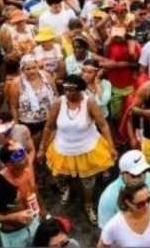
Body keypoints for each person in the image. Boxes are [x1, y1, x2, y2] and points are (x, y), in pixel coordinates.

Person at [39, 74, 117, 224]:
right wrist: (42, 147)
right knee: (60, 175)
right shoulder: (58, 103)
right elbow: (49, 126)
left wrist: (111, 146)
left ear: (81, 90)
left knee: (88, 182)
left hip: (88, 149)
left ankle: (88, 205)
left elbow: (103, 125)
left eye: (72, 90)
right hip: (63, 148)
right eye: (65, 89)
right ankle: (66, 189)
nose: (68, 93)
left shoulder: (90, 102)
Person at [98, 150, 150, 230]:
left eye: (144, 171)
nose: (141, 177)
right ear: (122, 173)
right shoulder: (108, 197)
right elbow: (107, 231)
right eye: (134, 175)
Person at [0, 143, 43, 247]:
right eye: (19, 155)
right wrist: (13, 217)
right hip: (14, 236)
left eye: (23, 151)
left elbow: (34, 192)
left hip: (34, 224)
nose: (25, 156)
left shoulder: (26, 172)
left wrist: (42, 211)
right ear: (9, 164)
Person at [98, 181, 150, 248]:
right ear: (128, 203)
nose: (147, 206)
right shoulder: (113, 226)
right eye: (140, 204)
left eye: (149, 199)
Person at [7, 54, 57, 149]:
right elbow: (13, 106)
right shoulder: (16, 83)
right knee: (32, 147)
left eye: (34, 68)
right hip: (28, 122)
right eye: (28, 69)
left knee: (49, 146)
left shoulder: (46, 76)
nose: (32, 71)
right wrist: (17, 126)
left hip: (48, 119)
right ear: (22, 70)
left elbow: (55, 94)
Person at [0, 112, 35, 176]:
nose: (1, 136)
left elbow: (31, 150)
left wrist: (27, 167)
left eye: (5, 132)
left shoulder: (23, 130)